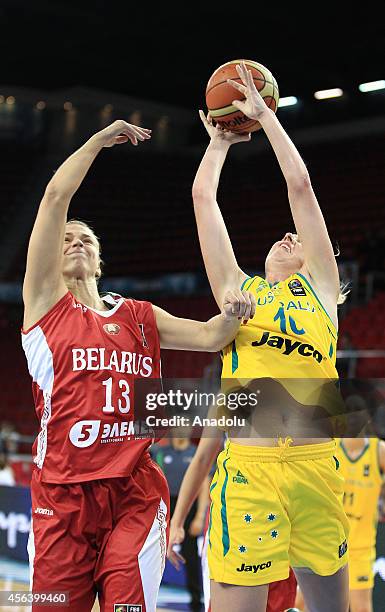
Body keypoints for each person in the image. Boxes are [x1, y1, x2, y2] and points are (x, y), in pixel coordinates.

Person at [21, 119, 256, 612]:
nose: (76, 242)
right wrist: (95, 141)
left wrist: (235, 310)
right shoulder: (44, 304)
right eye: (66, 239)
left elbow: (211, 335)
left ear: (100, 260)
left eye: (86, 239)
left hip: (135, 490)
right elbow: (53, 197)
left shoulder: (138, 315)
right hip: (61, 497)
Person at [187, 62, 350, 612]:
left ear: (315, 260)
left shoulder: (322, 292)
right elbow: (204, 204)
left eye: (295, 238)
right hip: (250, 474)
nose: (287, 235)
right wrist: (219, 144)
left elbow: (300, 188)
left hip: (316, 470)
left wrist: (267, 119)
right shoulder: (239, 290)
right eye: (281, 235)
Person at [167, 416, 298, 612]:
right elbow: (202, 460)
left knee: (280, 603)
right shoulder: (229, 398)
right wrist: (176, 522)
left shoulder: (299, 397)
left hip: (284, 525)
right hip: (235, 527)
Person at [152, 430, 210, 611]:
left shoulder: (195, 453)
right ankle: (150, 595)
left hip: (189, 507)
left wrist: (200, 516)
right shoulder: (160, 453)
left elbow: (203, 485)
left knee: (190, 555)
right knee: (155, 552)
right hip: (166, 505)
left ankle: (196, 599)